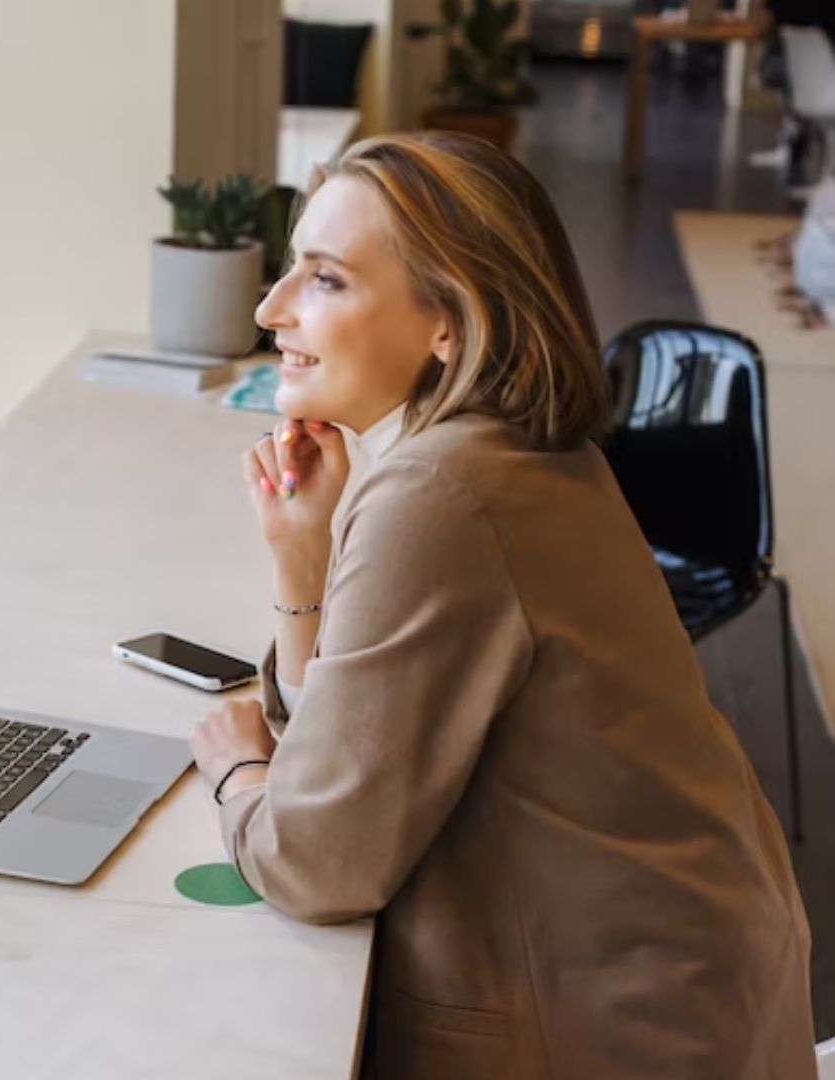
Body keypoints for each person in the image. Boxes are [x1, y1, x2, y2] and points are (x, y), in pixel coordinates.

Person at [189, 133, 816, 1079]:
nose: (270, 308)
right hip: (696, 985)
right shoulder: (510, 450)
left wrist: (238, 772)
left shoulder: (444, 495)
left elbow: (316, 859)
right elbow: (344, 757)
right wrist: (301, 562)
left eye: (324, 280)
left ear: (449, 320)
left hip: (615, 1033)